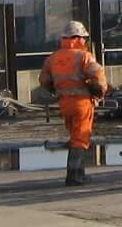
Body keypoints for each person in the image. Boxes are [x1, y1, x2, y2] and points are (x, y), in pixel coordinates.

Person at [39, 20, 108, 187]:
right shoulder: (84, 56)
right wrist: (100, 90)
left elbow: (43, 80)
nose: (84, 41)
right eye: (83, 38)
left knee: (74, 136)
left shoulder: (53, 58)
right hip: (81, 103)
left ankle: (79, 173)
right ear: (77, 38)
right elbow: (98, 75)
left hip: (65, 104)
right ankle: (74, 175)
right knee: (80, 137)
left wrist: (56, 90)